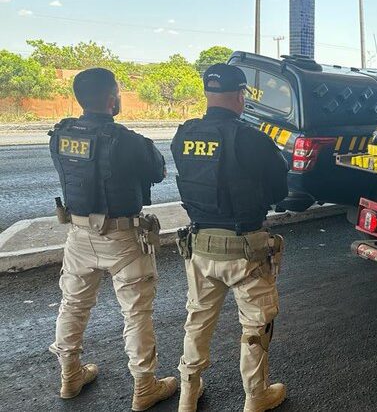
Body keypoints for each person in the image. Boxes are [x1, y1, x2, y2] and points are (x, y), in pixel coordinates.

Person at [48, 68, 177, 411]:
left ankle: (70, 376)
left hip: (78, 237)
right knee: (136, 314)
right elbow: (158, 170)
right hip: (122, 238)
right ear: (111, 98)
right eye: (118, 92)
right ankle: (145, 387)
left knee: (73, 306)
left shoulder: (60, 135)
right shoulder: (127, 141)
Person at [171, 63, 289, 412]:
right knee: (255, 325)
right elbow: (279, 191)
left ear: (208, 94)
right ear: (241, 97)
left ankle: (187, 395)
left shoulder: (184, 135)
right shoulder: (253, 139)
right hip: (246, 251)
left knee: (198, 322)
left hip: (200, 248)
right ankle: (256, 397)